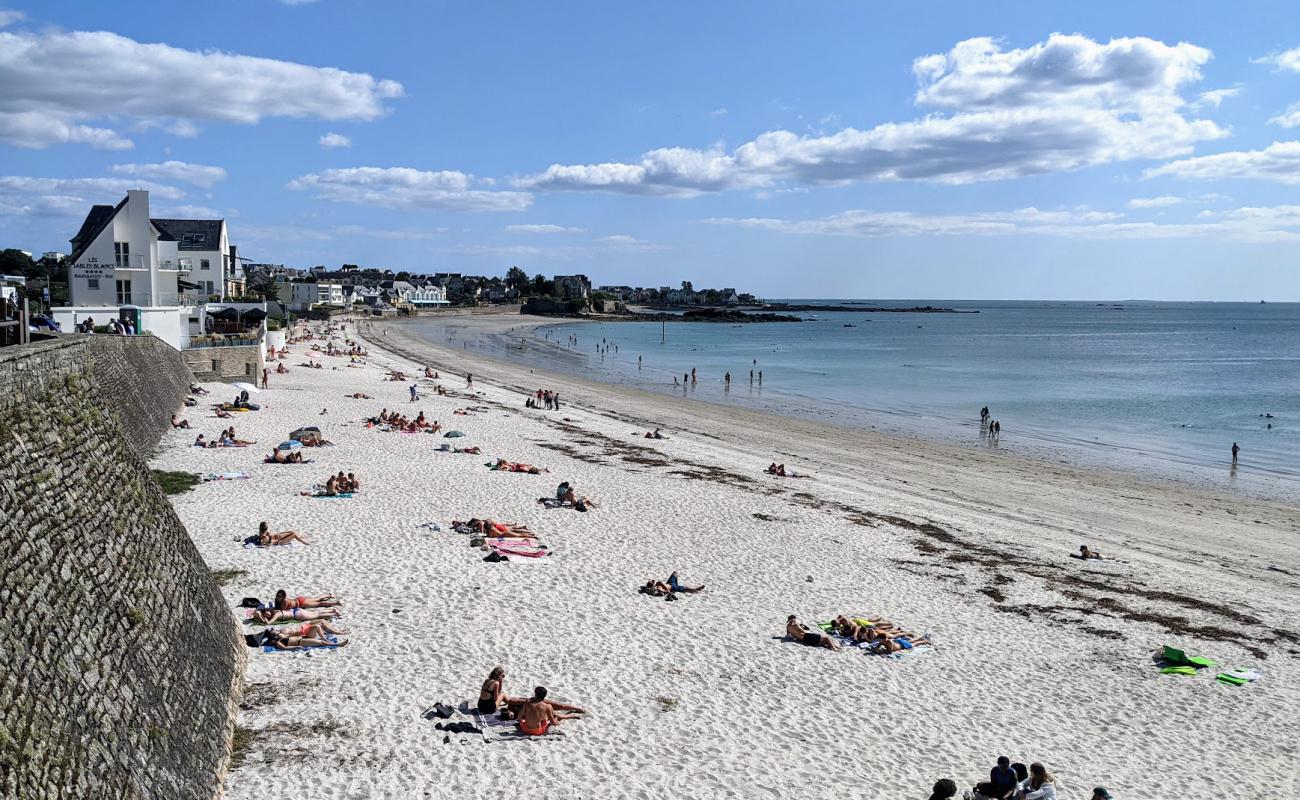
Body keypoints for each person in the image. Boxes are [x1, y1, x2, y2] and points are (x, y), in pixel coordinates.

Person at [517, 686, 583, 736]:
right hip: (538, 731)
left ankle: (568, 716)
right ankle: (569, 716)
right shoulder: (547, 706)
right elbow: (553, 723)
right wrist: (557, 722)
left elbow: (519, 717)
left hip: (525, 729)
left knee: (528, 720)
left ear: (535, 694)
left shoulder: (527, 702)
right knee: (555, 717)